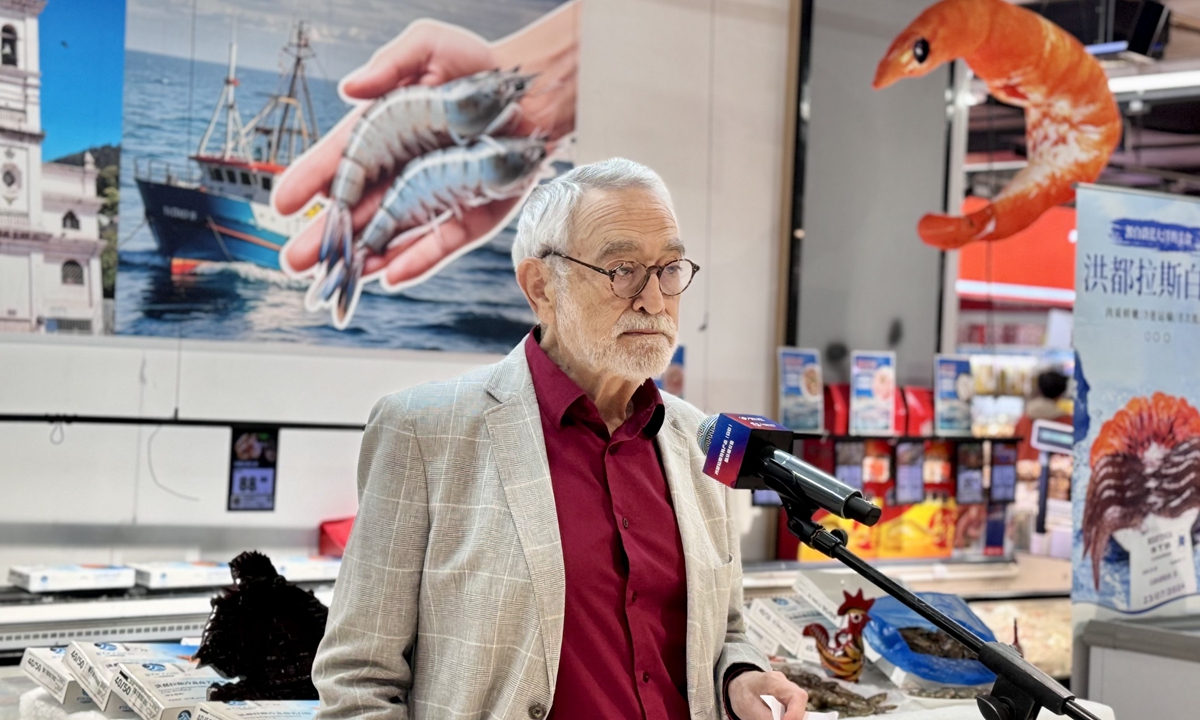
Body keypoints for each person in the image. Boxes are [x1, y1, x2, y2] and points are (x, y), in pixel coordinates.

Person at [312, 158, 808, 720]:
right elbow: (358, 679)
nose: (654, 300)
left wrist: (739, 676)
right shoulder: (425, 432)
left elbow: (727, 630)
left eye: (669, 268)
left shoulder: (700, 441)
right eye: (622, 269)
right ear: (540, 286)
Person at [273, 2, 579, 290]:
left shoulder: (467, 124)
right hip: (383, 142)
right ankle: (347, 251)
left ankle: (349, 256)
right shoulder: (466, 135)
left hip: (414, 167)